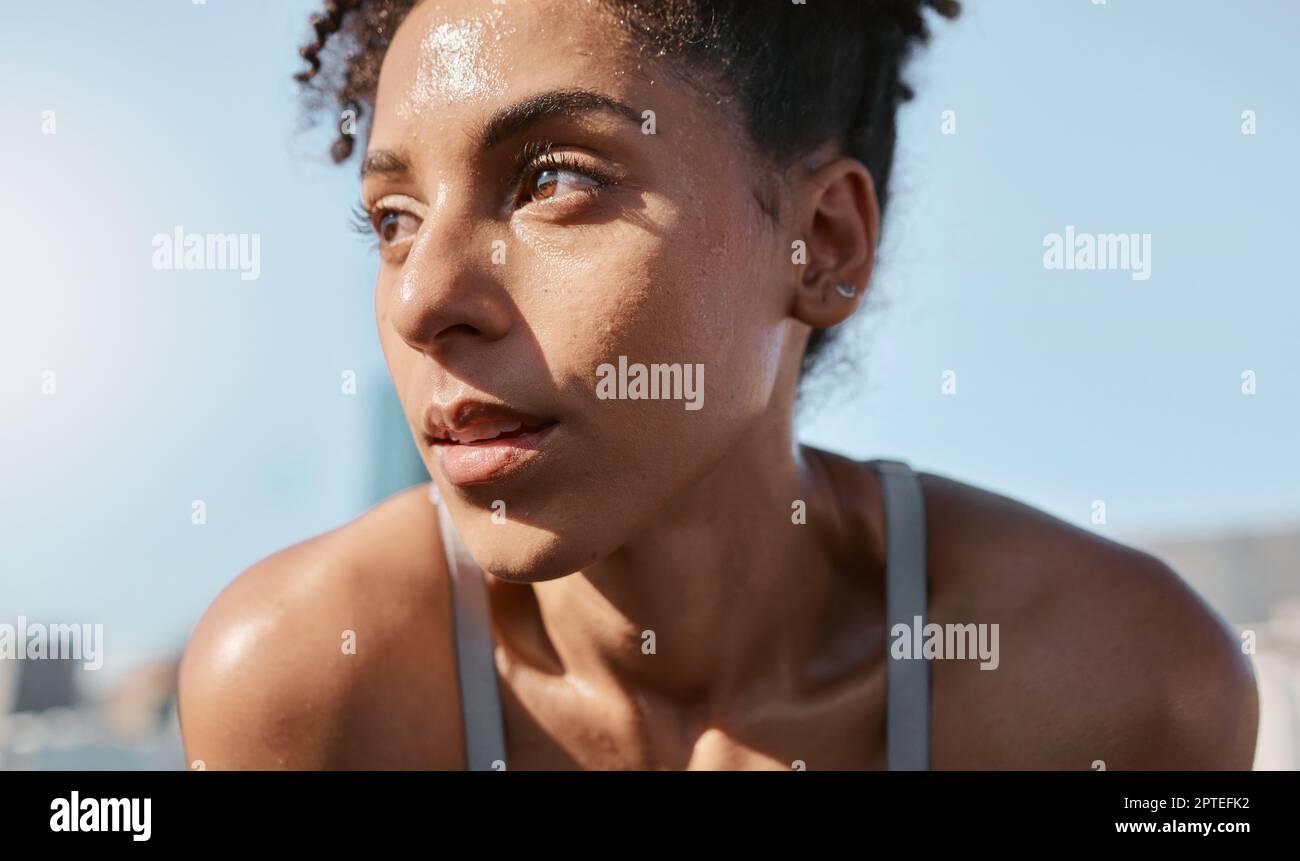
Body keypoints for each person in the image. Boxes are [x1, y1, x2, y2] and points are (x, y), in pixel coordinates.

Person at [177, 0, 1258, 770]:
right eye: (394, 220)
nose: (423, 300)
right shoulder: (309, 690)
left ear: (821, 241)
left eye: (554, 179)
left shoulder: (1109, 687)